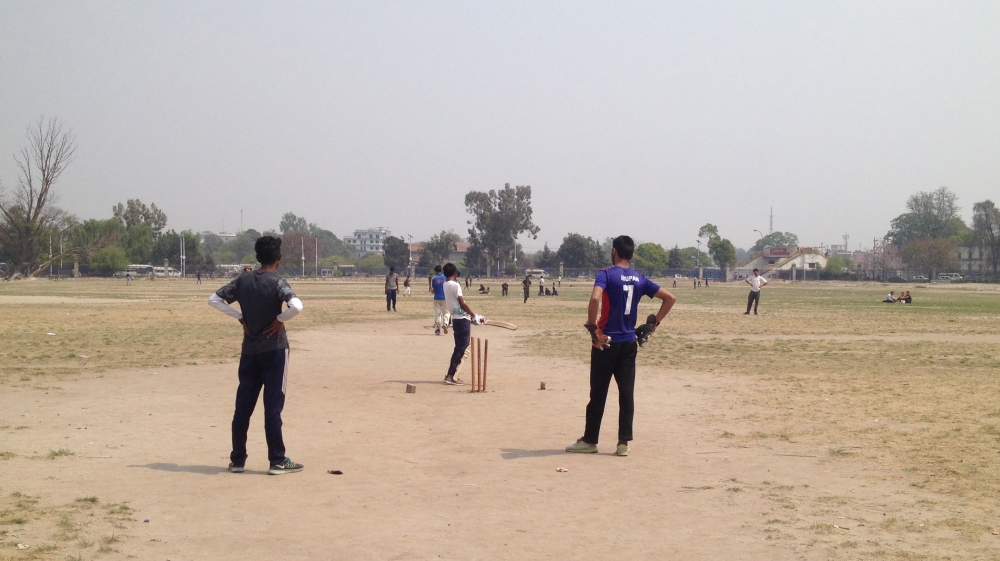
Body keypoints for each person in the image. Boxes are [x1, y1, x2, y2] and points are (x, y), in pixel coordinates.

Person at [566, 235, 676, 457]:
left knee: (598, 393)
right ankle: (623, 443)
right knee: (626, 394)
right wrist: (654, 326)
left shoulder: (606, 274)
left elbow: (596, 299)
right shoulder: (640, 278)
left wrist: (593, 327)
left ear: (614, 251)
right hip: (628, 343)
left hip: (606, 342)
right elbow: (670, 298)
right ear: (632, 255)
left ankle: (590, 440)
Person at [207, 236, 305, 475]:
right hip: (274, 350)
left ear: (258, 257)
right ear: (278, 259)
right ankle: (277, 460)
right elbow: (297, 306)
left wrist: (240, 317)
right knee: (272, 407)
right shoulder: (277, 282)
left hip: (250, 350)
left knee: (243, 406)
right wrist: (279, 321)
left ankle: (238, 459)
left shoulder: (243, 280)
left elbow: (214, 299)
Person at [442, 263, 479, 385]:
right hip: (462, 318)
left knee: (458, 348)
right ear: (455, 274)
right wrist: (473, 315)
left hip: (455, 318)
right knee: (462, 348)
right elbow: (462, 303)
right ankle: (451, 375)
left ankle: (450, 374)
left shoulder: (445, 284)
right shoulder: (455, 285)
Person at [431, 265, 449, 336]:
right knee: (446, 312)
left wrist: (431, 291)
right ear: (441, 270)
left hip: (437, 298)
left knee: (437, 314)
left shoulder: (434, 279)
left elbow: (434, 290)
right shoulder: (446, 278)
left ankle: (437, 329)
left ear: (435, 271)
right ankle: (445, 323)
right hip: (445, 298)